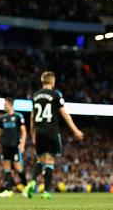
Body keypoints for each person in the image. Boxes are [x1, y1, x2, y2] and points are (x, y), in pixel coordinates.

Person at [24, 71, 84, 199]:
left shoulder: (35, 96)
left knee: (40, 160)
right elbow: (64, 114)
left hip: (39, 131)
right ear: (52, 81)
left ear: (42, 81)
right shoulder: (56, 95)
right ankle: (46, 191)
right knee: (50, 161)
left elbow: (32, 116)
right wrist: (75, 129)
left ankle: (33, 181)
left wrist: (33, 133)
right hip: (51, 130)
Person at [0, 97, 28, 198]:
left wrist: (23, 143)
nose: (4, 106)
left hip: (15, 145)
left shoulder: (18, 116)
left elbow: (24, 131)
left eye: (5, 104)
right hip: (5, 146)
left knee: (18, 168)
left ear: (10, 104)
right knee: (6, 168)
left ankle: (27, 187)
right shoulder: (3, 118)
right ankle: (9, 190)